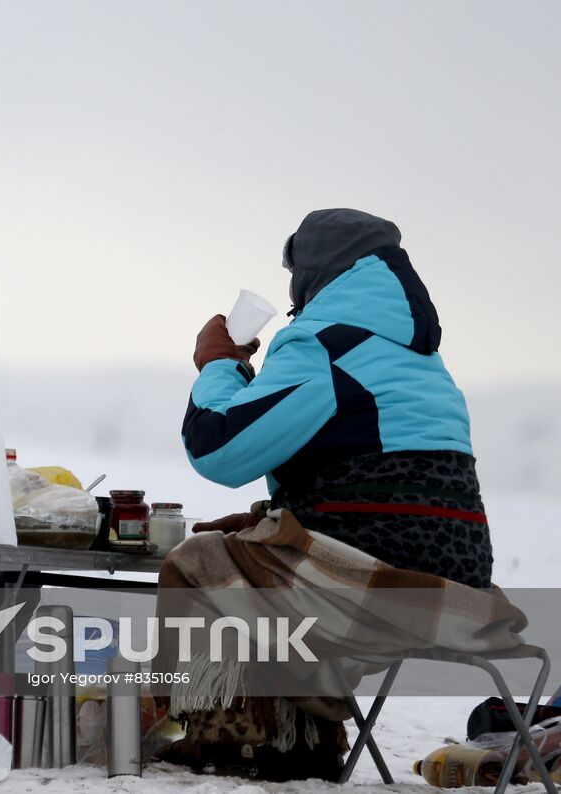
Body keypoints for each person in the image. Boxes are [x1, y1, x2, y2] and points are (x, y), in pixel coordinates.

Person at [159, 208, 495, 780]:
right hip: (463, 586)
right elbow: (386, 482)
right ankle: (297, 737)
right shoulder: (424, 363)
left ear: (312, 275)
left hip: (377, 581)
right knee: (247, 552)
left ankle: (239, 738)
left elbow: (218, 449)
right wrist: (275, 516)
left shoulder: (323, 344)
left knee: (195, 563)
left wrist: (220, 364)